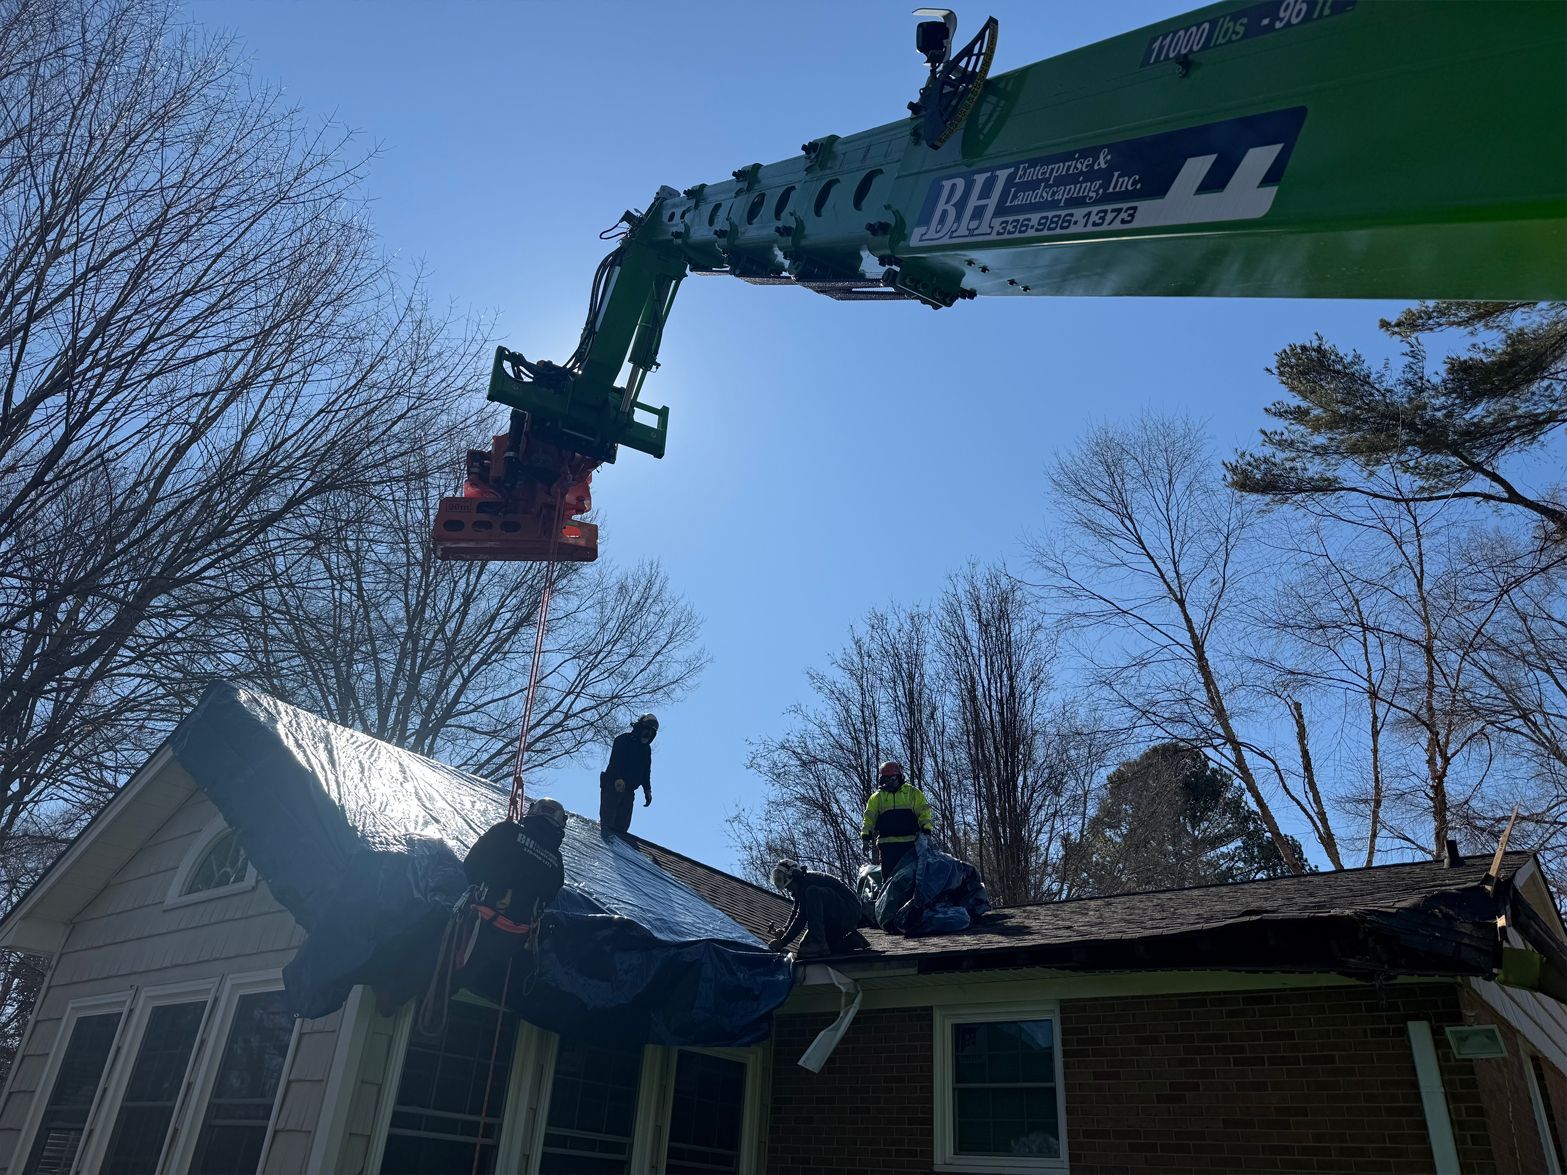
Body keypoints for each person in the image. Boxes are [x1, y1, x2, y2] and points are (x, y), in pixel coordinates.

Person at [457, 797, 568, 984]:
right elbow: (548, 897)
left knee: (450, 969)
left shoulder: (506, 831)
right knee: (473, 974)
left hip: (478, 920)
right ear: (559, 825)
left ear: (532, 813)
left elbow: (472, 864)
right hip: (514, 937)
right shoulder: (556, 862)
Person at [766, 860, 868, 958]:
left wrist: (783, 942)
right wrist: (785, 930)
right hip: (839, 918)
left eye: (789, 887)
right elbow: (796, 911)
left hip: (849, 912)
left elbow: (800, 917)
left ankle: (819, 943)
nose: (789, 890)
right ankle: (854, 940)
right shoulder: (801, 887)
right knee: (804, 947)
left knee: (812, 892)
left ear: (794, 876)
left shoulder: (808, 883)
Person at [860, 759, 932, 879]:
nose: (889, 782)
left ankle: (913, 897)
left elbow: (924, 811)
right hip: (887, 844)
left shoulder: (912, 793)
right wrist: (866, 837)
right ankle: (889, 897)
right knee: (889, 878)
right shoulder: (877, 798)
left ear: (899, 777)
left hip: (909, 844)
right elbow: (869, 818)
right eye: (886, 779)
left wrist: (926, 829)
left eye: (892, 778)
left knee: (911, 877)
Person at [600, 713, 657, 835]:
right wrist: (618, 778)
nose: (648, 734)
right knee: (608, 823)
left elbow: (646, 771)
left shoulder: (646, 750)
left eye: (651, 732)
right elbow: (615, 761)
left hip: (629, 790)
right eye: (647, 730)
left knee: (622, 827)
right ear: (640, 728)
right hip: (613, 785)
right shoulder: (623, 740)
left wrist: (647, 790)